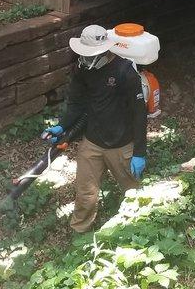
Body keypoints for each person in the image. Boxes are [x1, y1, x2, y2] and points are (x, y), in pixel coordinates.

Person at [43, 25, 147, 233]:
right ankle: (80, 231)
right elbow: (77, 103)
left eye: (91, 56)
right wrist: (63, 125)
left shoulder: (125, 72)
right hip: (92, 141)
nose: (86, 60)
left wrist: (139, 152)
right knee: (85, 192)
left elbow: (139, 113)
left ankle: (140, 228)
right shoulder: (82, 70)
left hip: (121, 143)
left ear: (105, 51)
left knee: (133, 191)